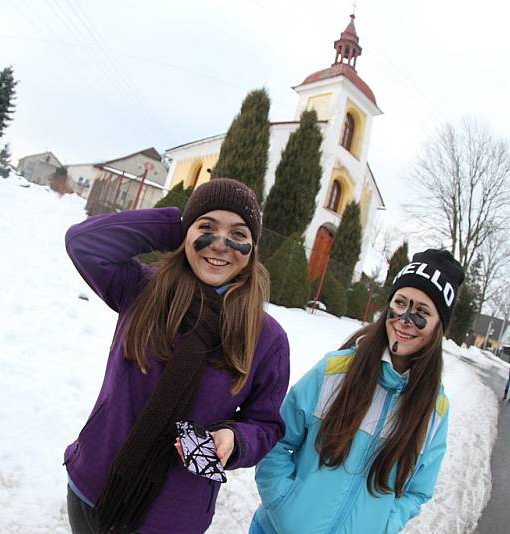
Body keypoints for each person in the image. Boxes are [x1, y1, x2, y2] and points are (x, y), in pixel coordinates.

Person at [63, 178, 290, 534]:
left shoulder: (267, 338)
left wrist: (235, 438)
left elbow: (266, 424)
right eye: (207, 227)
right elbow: (83, 242)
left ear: (252, 247)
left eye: (238, 233)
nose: (221, 244)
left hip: (172, 518)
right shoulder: (142, 290)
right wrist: (177, 225)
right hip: (93, 487)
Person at [251, 249, 465, 534]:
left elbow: (417, 491)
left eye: (422, 312)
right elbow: (275, 438)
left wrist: (383, 526)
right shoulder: (335, 371)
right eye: (399, 303)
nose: (405, 319)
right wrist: (284, 505)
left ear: (440, 327)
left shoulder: (434, 411)